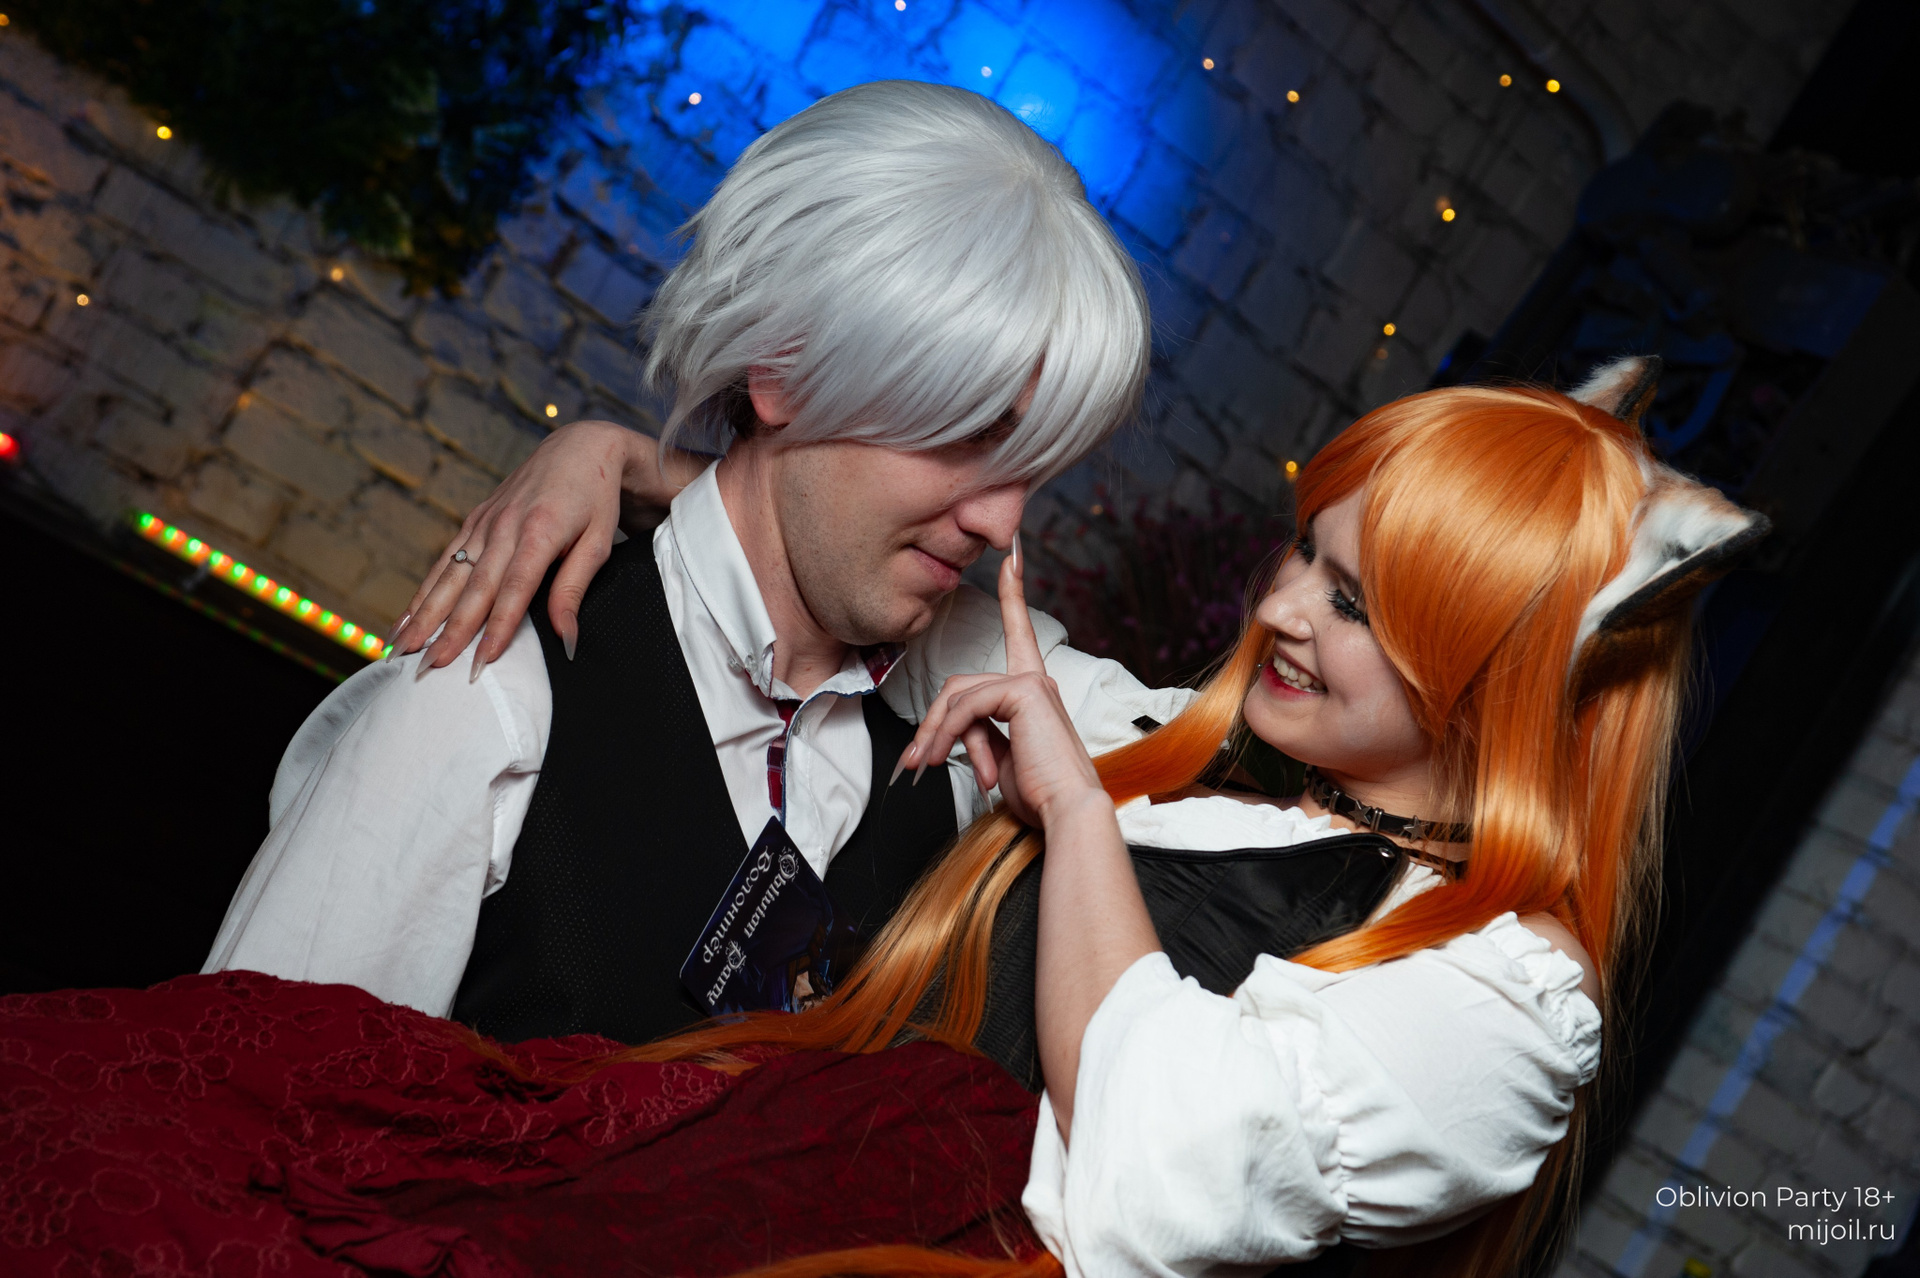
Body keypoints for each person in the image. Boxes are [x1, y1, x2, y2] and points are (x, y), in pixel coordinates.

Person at [5, 363, 1741, 1278]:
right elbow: (866, 554)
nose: (1284, 611)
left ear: (1501, 674)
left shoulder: (1506, 1001)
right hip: (720, 1180)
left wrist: (1071, 814)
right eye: (1308, 553)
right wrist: (618, 456)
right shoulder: (1176, 740)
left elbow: (1162, 1179)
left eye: (1360, 605)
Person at [200, 80, 1190, 1044]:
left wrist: (642, 461)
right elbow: (239, 1102)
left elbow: (1256, 790)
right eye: (968, 434)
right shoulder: (488, 700)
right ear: (784, 371)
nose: (1003, 523)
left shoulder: (978, 718)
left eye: (1033, 470)